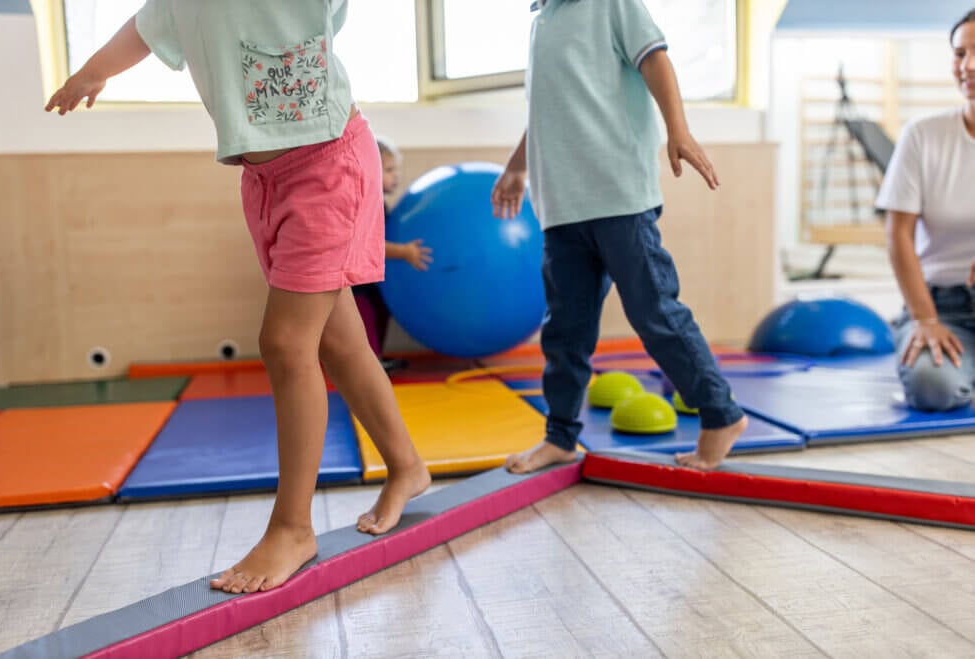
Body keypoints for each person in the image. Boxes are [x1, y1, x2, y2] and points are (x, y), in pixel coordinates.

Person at [44, 1, 430, 594]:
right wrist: (95, 69)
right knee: (338, 339)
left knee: (284, 343)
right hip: (263, 180)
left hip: (327, 164)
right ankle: (407, 465)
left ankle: (293, 527)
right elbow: (146, 28)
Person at [491, 0, 748, 472]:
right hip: (562, 207)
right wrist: (517, 164)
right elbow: (554, 109)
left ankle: (721, 414)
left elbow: (654, 58)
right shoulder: (542, 21)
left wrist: (679, 128)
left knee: (654, 311)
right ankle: (561, 436)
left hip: (618, 197)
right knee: (565, 330)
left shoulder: (608, 3)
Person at [880, 9, 975, 411]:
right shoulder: (923, 136)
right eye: (959, 54)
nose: (967, 66)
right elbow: (898, 234)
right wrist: (925, 318)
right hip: (942, 305)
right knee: (933, 386)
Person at [353, 137, 432, 370]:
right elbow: (366, 243)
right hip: (356, 279)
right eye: (388, 170)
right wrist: (405, 252)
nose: (395, 176)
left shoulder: (381, 202)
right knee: (365, 315)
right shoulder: (364, 202)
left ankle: (376, 358)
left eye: (394, 170)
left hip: (372, 276)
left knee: (379, 311)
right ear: (368, 170)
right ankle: (368, 363)